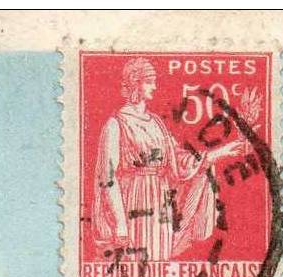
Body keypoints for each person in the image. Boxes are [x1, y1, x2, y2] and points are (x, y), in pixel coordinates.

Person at [92, 57, 243, 264]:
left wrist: (218, 153)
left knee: (159, 258)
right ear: (136, 83)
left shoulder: (156, 123)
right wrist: (120, 224)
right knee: (136, 263)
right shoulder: (115, 124)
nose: (154, 86)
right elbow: (107, 178)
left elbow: (178, 159)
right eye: (149, 81)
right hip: (134, 203)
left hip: (160, 203)